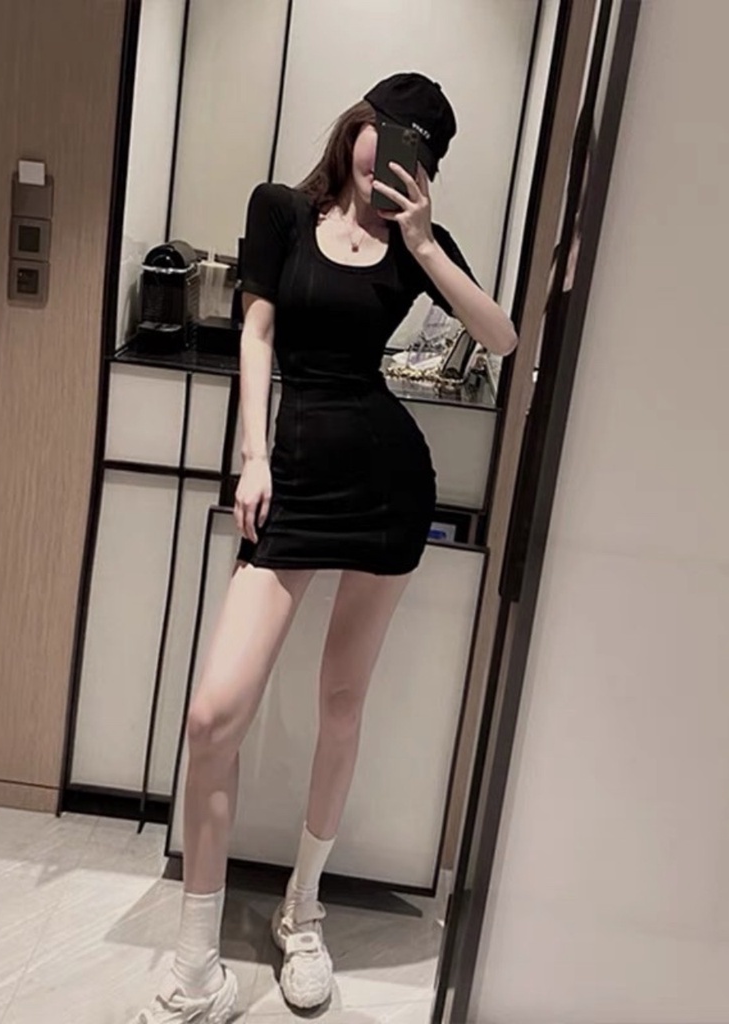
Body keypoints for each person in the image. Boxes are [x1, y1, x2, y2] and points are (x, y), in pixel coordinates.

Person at [136, 72, 517, 1024]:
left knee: (342, 703)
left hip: (387, 487)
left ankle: (302, 912)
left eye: (417, 145)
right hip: (292, 480)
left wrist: (423, 243)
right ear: (358, 123)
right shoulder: (280, 211)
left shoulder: (415, 240)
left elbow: (502, 337)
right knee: (212, 718)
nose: (390, 151)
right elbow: (257, 333)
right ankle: (198, 967)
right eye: (387, 129)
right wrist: (253, 455)